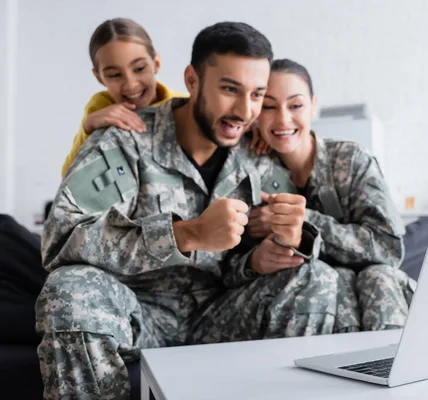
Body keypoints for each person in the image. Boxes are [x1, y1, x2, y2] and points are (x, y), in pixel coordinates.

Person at [36, 23, 340, 399]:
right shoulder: (123, 140)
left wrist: (281, 246)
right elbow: (60, 237)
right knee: (69, 289)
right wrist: (186, 234)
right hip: (137, 314)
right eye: (230, 89)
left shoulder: (257, 152)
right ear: (192, 80)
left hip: (221, 315)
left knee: (317, 279)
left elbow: (253, 261)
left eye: (257, 94)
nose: (245, 111)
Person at [246, 59, 416, 332]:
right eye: (268, 106)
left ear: (313, 105)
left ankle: (391, 369)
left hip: (372, 291)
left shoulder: (351, 160)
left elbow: (388, 248)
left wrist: (301, 222)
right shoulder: (250, 165)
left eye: (296, 105)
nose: (282, 119)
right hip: (303, 304)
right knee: (331, 280)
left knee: (380, 277)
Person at [61, 18, 187, 177]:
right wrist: (88, 127)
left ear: (156, 63)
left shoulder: (184, 106)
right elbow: (70, 179)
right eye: (115, 75)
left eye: (139, 68)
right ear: (99, 77)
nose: (130, 84)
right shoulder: (101, 106)